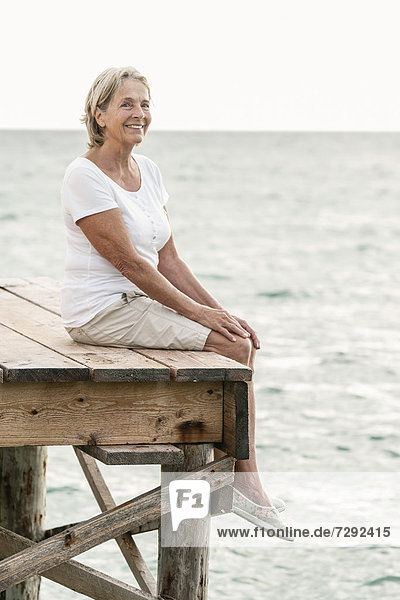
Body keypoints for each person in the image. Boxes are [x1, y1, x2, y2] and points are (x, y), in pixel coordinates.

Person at [61, 66, 288, 535]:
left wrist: (221, 312)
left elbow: (169, 259)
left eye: (145, 104)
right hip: (101, 311)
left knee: (237, 337)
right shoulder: (83, 176)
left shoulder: (150, 171)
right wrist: (202, 318)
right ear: (99, 114)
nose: (139, 113)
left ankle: (235, 476)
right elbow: (132, 265)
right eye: (126, 104)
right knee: (231, 349)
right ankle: (246, 482)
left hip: (138, 301)